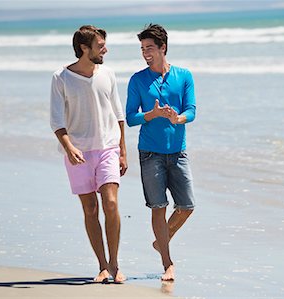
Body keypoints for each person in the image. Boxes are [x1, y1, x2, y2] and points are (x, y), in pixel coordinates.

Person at [50, 25, 127, 284]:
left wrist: (123, 152)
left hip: (108, 148)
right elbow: (56, 120)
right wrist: (69, 147)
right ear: (84, 48)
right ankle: (102, 266)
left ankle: (115, 265)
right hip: (78, 153)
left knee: (112, 204)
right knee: (91, 209)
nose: (105, 49)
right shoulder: (61, 77)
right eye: (100, 45)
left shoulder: (108, 74)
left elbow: (119, 115)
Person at [126, 24, 196, 281]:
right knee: (158, 206)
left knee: (186, 206)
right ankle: (167, 263)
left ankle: (161, 240)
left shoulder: (184, 75)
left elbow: (192, 110)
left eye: (150, 48)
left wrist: (178, 119)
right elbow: (131, 118)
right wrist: (152, 114)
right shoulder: (137, 80)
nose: (146, 53)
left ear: (163, 48)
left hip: (178, 151)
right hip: (150, 153)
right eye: (143, 48)